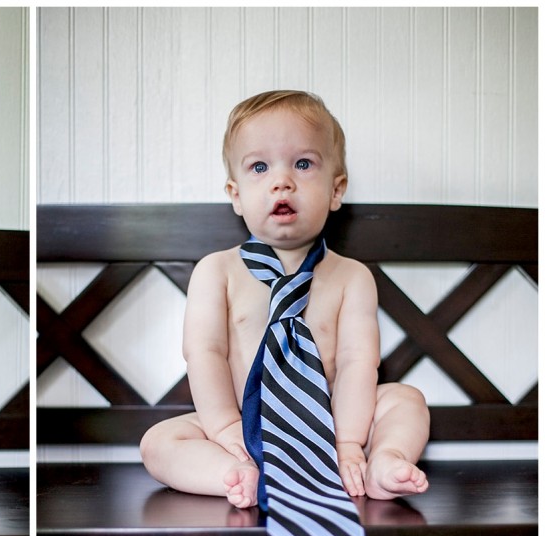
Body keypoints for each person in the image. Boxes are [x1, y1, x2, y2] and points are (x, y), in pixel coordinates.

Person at [139, 90, 429, 509]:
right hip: (242, 426)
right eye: (259, 166)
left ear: (336, 189)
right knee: (159, 442)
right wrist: (224, 430)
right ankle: (234, 476)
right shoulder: (217, 272)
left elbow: (356, 362)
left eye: (303, 164)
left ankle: (384, 462)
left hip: (332, 424)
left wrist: (348, 443)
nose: (282, 181)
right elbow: (203, 352)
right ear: (236, 194)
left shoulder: (352, 277)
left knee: (406, 401)